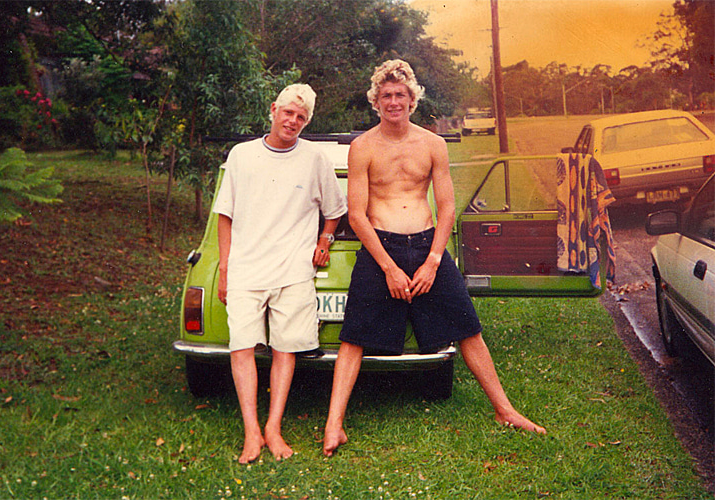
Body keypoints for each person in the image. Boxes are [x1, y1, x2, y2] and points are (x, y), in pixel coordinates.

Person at [323, 60, 545, 457]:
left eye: (401, 95)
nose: (394, 102)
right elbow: (356, 214)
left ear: (413, 100)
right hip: (380, 249)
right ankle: (334, 425)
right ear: (376, 101)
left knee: (468, 330)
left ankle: (505, 410)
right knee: (353, 338)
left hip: (427, 246)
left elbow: (446, 208)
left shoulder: (432, 144)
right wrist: (389, 267)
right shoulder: (363, 147)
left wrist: (433, 260)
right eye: (386, 95)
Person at [214, 84, 347, 463]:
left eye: (301, 117)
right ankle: (251, 432)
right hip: (246, 269)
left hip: (293, 270)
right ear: (273, 110)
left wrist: (324, 239)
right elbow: (226, 214)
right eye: (288, 112)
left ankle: (273, 428)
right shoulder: (242, 155)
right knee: (241, 348)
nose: (293, 121)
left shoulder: (315, 158)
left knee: (285, 350)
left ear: (307, 122)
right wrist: (225, 269)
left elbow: (335, 209)